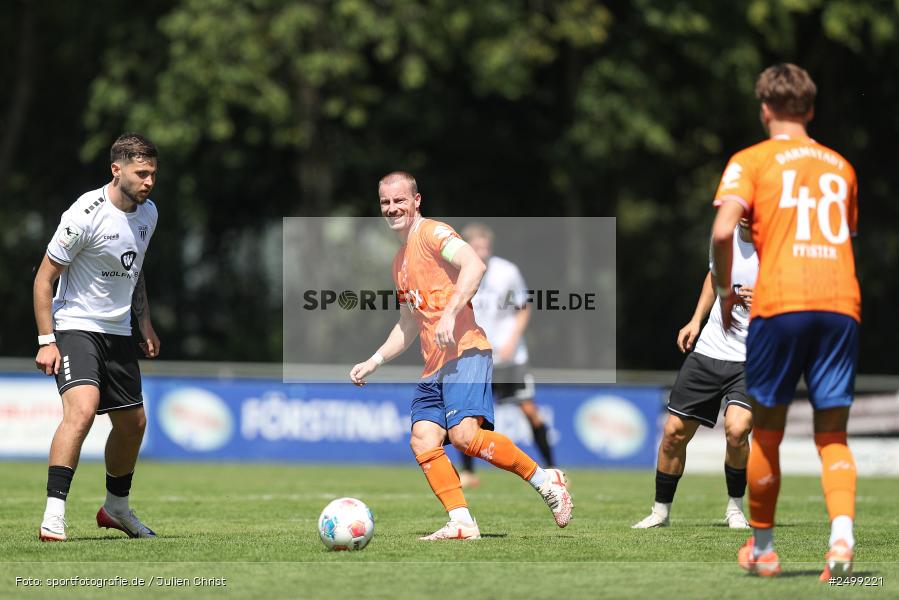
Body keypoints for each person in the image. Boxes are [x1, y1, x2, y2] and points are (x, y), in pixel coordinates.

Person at [350, 172, 572, 540]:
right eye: (386, 203)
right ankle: (462, 523)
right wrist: (374, 360)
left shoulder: (433, 234)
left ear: (416, 201)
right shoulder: (399, 262)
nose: (392, 208)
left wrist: (451, 312)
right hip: (433, 365)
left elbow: (474, 265)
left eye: (399, 200)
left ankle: (547, 480)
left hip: (467, 351)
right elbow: (408, 322)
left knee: (466, 437)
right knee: (423, 439)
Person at [710, 64, 860, 579]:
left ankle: (764, 550)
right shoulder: (842, 167)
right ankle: (841, 545)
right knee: (833, 436)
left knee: (768, 435)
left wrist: (727, 288)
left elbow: (724, 228)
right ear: (811, 110)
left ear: (765, 109)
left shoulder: (750, 161)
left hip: (780, 303)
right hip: (840, 303)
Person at [35, 133, 161, 541]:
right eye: (141, 174)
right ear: (116, 169)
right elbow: (43, 279)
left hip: (119, 331)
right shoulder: (84, 214)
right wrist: (46, 339)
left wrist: (144, 323)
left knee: (133, 424)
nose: (148, 182)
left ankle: (116, 509)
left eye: (153, 174)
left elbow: (135, 269)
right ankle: (54, 514)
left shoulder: (149, 214)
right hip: (75, 326)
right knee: (83, 410)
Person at [633, 221, 757, 529]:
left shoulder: (780, 247)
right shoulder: (722, 237)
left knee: (738, 429)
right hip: (709, 351)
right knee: (674, 432)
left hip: (754, 356)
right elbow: (714, 277)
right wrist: (694, 321)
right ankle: (660, 512)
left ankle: (734, 508)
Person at [455, 223, 555, 489]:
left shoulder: (506, 271)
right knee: (467, 417)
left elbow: (523, 308)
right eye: (477, 247)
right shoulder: (457, 273)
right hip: (476, 358)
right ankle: (467, 472)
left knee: (531, 411)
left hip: (511, 358)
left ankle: (552, 468)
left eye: (486, 246)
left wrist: (511, 340)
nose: (483, 251)